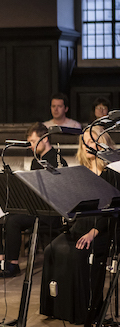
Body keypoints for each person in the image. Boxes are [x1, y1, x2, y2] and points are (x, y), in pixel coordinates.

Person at [40, 127, 117, 324]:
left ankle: (84, 311)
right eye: (84, 142)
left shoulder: (112, 172)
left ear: (103, 143)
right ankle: (59, 308)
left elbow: (113, 209)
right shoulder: (81, 172)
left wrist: (93, 232)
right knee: (52, 249)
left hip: (103, 228)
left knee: (77, 252)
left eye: (91, 141)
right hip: (80, 225)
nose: (87, 146)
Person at [0, 122, 67, 278]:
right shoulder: (36, 160)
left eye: (33, 142)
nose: (30, 146)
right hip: (36, 208)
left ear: (45, 139)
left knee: (13, 221)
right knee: (7, 217)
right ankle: (4, 261)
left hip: (50, 211)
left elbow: (59, 192)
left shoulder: (57, 160)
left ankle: (12, 265)